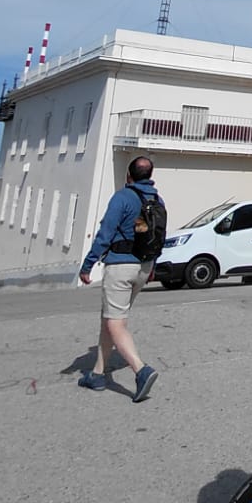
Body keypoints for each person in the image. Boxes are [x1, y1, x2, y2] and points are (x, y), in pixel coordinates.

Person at [77, 155, 162, 401]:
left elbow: (106, 233)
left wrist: (88, 265)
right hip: (143, 268)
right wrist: (152, 265)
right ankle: (97, 374)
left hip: (120, 267)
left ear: (129, 175)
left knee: (116, 323)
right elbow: (155, 234)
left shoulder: (123, 198)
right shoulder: (156, 199)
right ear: (150, 175)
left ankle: (141, 370)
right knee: (111, 319)